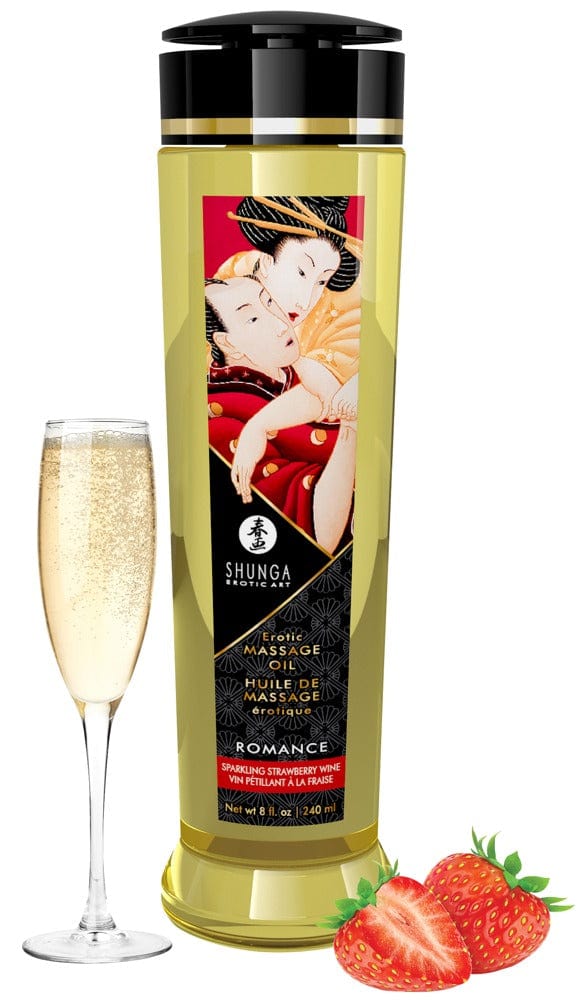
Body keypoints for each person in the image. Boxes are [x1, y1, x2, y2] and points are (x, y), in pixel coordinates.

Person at [206, 275, 358, 554]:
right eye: (252, 319)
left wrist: (260, 424)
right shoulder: (219, 421)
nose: (280, 324)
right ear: (227, 343)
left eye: (270, 303)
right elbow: (319, 537)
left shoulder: (299, 373)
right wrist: (351, 425)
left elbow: (327, 400)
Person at [213, 196, 362, 385]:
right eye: (301, 272)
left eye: (321, 282)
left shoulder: (339, 311)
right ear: (267, 262)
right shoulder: (231, 280)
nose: (305, 303)